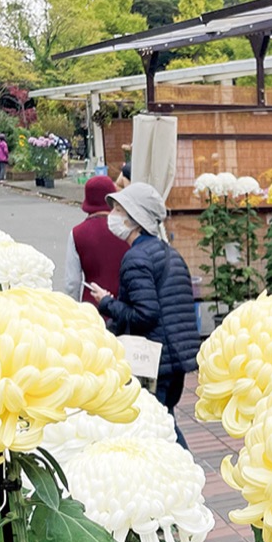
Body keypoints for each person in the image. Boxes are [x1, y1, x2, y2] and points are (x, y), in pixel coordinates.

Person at [88, 183, 199, 448]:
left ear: (134, 219)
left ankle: (184, 473)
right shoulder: (169, 253)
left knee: (157, 428)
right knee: (165, 420)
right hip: (177, 358)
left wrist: (106, 303)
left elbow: (145, 315)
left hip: (153, 361)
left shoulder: (136, 258)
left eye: (117, 210)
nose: (111, 215)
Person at [65, 175, 130, 313]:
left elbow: (72, 283)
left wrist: (72, 313)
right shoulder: (127, 230)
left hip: (92, 310)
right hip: (126, 308)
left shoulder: (77, 233)